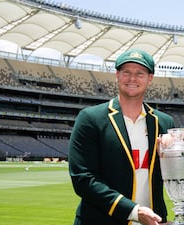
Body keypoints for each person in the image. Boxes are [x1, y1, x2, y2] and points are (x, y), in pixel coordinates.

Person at [69, 49, 174, 225]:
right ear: (117, 75)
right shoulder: (91, 118)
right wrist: (133, 211)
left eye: (140, 73)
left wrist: (179, 155)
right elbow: (83, 179)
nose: (132, 79)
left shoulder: (164, 123)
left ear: (150, 78)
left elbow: (174, 177)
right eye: (126, 72)